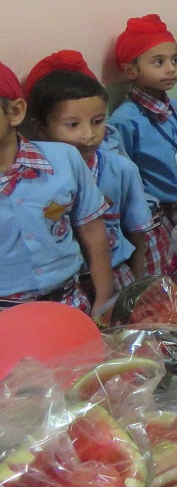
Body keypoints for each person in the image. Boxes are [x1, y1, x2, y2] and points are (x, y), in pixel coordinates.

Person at [26, 60, 154, 291]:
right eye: (73, 125)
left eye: (97, 122)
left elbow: (137, 236)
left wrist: (135, 288)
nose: (88, 135)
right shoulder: (36, 180)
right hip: (68, 289)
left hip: (117, 277)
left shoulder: (121, 170)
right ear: (41, 128)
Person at [0, 60, 111, 312]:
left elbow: (92, 231)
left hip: (69, 300)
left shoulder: (64, 159)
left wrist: (104, 296)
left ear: (15, 112)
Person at [108, 15, 177, 277]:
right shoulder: (125, 120)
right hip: (158, 218)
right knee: (165, 280)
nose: (171, 68)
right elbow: (125, 175)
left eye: (174, 60)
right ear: (130, 70)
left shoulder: (174, 108)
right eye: (158, 62)